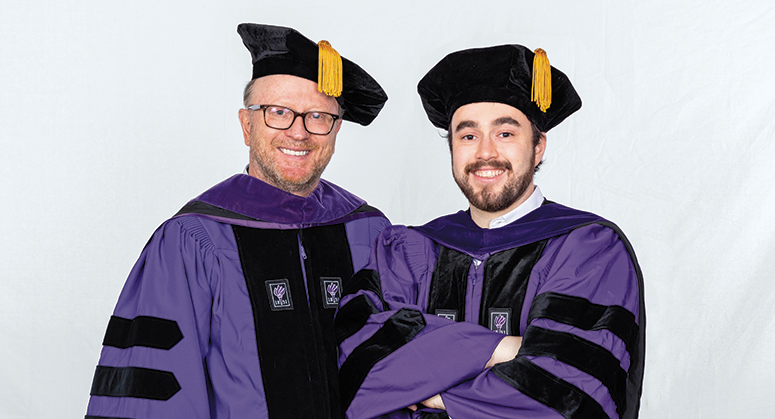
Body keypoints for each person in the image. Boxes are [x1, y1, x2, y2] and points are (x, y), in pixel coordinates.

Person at [85, 23, 389, 419]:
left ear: (335, 131)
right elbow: (152, 397)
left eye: (317, 116)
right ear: (248, 126)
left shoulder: (370, 232)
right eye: (278, 112)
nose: (298, 132)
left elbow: (401, 372)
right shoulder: (191, 240)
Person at [335, 45, 645, 419]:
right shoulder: (406, 251)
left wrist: (437, 395)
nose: (485, 152)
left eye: (505, 133)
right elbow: (359, 371)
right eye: (468, 136)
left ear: (538, 145)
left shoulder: (588, 249)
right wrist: (501, 350)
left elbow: (571, 393)